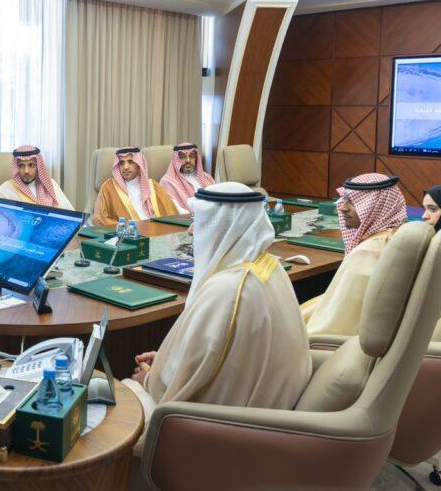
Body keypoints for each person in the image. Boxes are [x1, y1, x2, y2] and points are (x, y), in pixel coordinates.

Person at [123, 182, 311, 447]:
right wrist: (167, 358)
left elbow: (172, 389)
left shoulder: (227, 290)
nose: (191, 230)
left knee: (117, 395)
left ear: (224, 226)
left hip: (223, 433)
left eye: (200, 221)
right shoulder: (271, 266)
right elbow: (219, 353)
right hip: (267, 416)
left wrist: (149, 379)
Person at [301, 174, 407, 337]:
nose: (342, 208)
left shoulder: (367, 253)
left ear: (376, 206)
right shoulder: (395, 235)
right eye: (344, 200)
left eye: (353, 201)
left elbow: (335, 323)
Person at [92, 147, 180, 227]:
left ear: (139, 164)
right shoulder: (109, 187)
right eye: (122, 163)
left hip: (156, 231)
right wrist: (122, 226)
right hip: (127, 234)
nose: (126, 167)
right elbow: (99, 219)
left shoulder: (153, 186)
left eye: (130, 162)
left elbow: (171, 213)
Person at [0, 145, 73, 209]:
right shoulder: (5, 189)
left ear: (38, 166)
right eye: (21, 166)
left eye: (31, 165)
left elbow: (68, 212)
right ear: (16, 167)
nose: (26, 171)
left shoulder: (51, 184)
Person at [159, 141, 215, 212]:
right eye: (182, 157)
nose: (188, 160)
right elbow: (174, 210)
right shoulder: (168, 182)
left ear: (196, 159)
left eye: (191, 156)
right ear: (176, 160)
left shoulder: (207, 178)